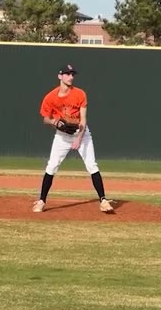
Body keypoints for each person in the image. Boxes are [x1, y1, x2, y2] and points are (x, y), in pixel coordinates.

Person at [32, 64, 114, 214]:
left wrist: (79, 138)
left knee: (92, 165)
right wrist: (54, 122)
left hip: (81, 133)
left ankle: (103, 200)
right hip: (62, 136)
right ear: (60, 76)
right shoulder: (50, 97)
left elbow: (83, 120)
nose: (71, 77)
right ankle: (41, 201)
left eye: (72, 74)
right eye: (67, 74)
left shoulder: (80, 94)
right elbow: (45, 118)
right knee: (52, 166)